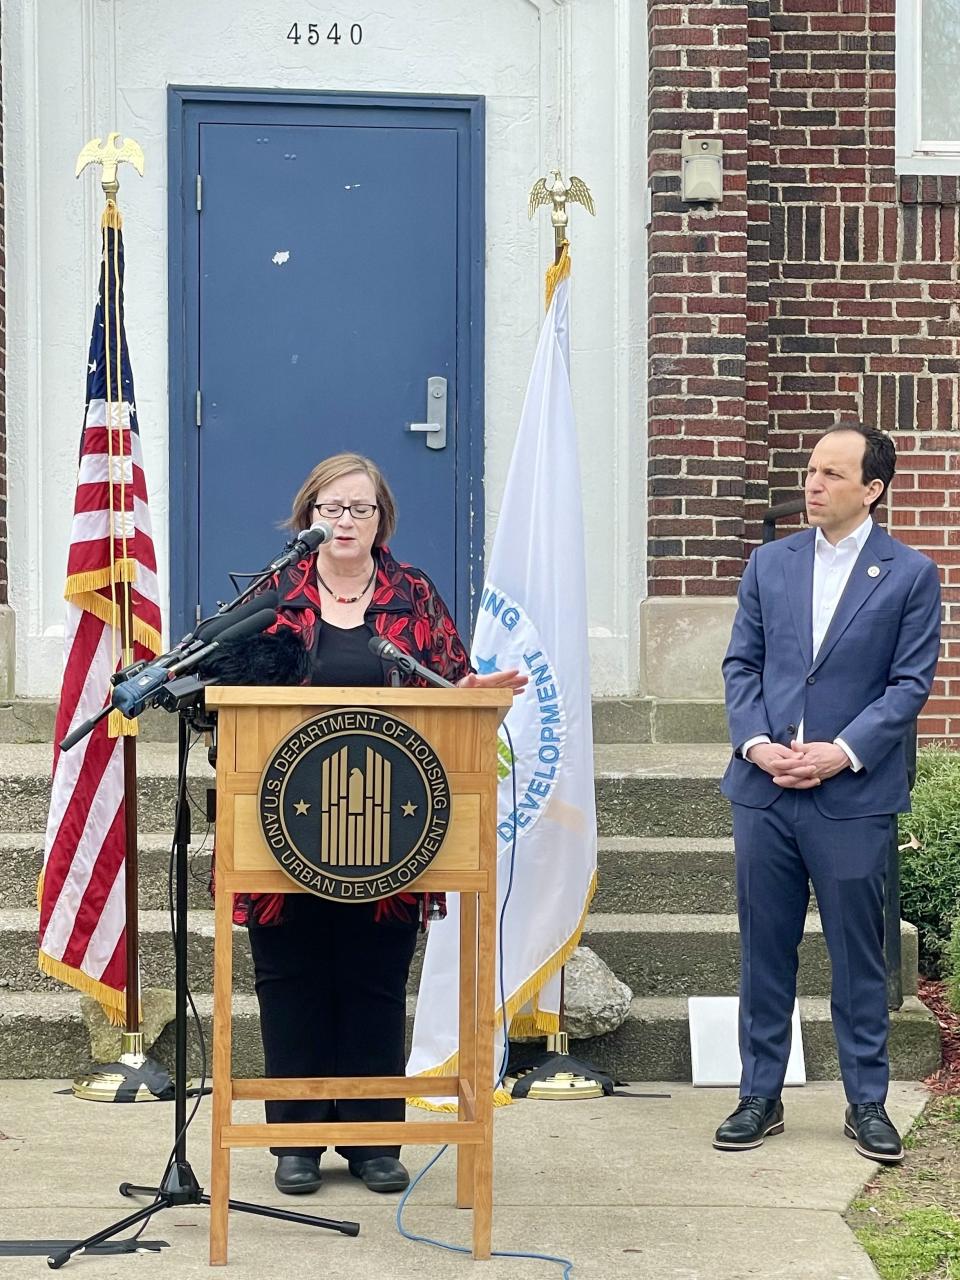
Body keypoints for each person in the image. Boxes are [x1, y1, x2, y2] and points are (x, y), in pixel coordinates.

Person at [226, 453, 526, 1196]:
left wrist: (474, 694)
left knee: (374, 978)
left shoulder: (413, 595)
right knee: (290, 975)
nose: (346, 522)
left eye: (361, 509)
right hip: (284, 825)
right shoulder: (273, 594)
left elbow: (449, 685)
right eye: (332, 508)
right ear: (308, 516)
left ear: (382, 519)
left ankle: (369, 1138)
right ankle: (297, 1141)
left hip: (390, 825)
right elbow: (229, 693)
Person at [715, 423, 941, 1164]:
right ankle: (759, 1095)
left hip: (854, 796)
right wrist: (757, 744)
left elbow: (909, 686)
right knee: (763, 951)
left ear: (873, 488)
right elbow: (741, 664)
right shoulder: (768, 563)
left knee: (858, 955)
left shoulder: (909, 574)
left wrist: (841, 753)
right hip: (767, 790)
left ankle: (867, 1102)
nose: (812, 485)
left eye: (831, 474)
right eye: (810, 470)